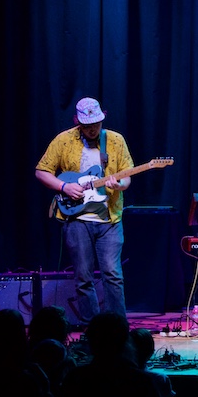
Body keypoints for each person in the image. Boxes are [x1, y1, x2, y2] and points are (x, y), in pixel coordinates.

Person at [35, 97, 134, 322]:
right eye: (87, 126)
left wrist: (119, 184)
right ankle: (92, 329)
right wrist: (64, 186)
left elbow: (126, 174)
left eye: (96, 125)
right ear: (77, 121)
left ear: (103, 118)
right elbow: (41, 171)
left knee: (113, 275)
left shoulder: (115, 140)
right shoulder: (64, 140)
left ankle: (117, 328)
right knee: (83, 277)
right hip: (76, 219)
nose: (92, 130)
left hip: (109, 220)